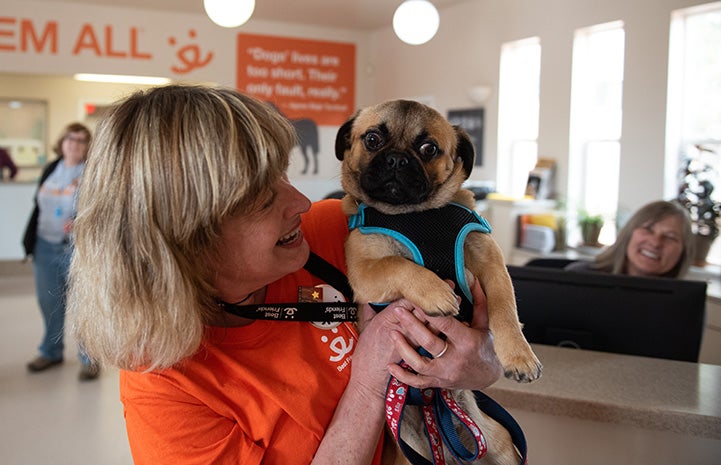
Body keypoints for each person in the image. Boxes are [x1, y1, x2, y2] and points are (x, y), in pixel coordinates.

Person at [66, 85, 502, 464]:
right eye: (260, 197)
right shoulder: (165, 389)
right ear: (187, 241)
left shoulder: (341, 229)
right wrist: (368, 380)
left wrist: (480, 361)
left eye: (283, 174)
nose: (300, 201)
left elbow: (483, 328)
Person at [22, 122, 99, 380]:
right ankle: (50, 352)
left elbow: (100, 207)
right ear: (62, 142)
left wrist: (81, 219)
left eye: (80, 140)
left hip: (77, 249)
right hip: (45, 245)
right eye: (70, 139)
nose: (74, 144)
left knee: (84, 304)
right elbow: (38, 205)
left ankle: (89, 358)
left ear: (87, 146)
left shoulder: (92, 173)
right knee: (49, 302)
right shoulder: (51, 169)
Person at [565, 200, 695, 278]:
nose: (655, 242)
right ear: (628, 234)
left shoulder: (686, 303)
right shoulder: (580, 276)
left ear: (683, 252)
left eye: (670, 237)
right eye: (648, 229)